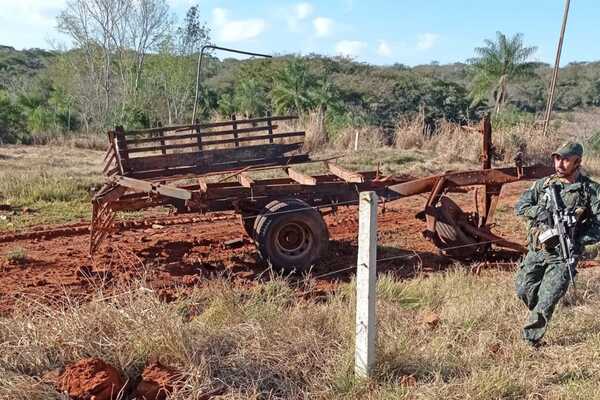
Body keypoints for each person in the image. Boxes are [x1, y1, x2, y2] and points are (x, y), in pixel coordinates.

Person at [515, 141, 600, 346]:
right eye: (557, 158)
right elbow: (521, 206)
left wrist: (578, 239)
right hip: (539, 249)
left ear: (577, 162)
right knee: (523, 289)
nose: (560, 164)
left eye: (566, 159)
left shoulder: (591, 190)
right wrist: (539, 212)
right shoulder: (543, 184)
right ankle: (543, 307)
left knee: (547, 298)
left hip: (564, 254)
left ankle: (530, 342)